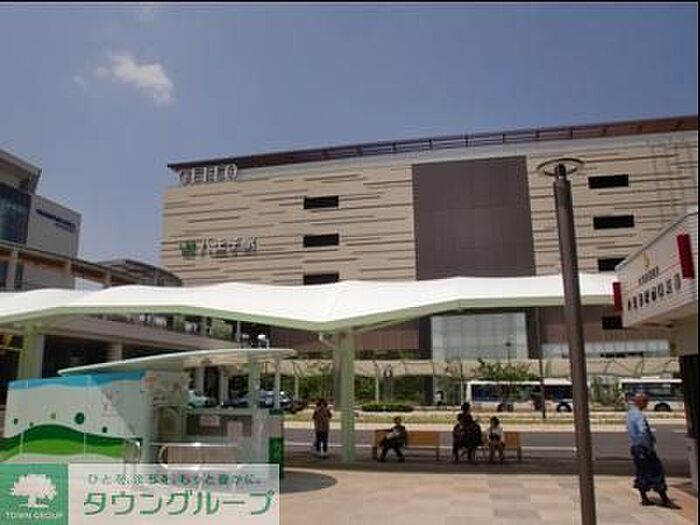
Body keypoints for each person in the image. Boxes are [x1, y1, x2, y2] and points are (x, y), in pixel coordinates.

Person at [626, 393, 678, 508]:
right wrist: (648, 445)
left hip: (635, 447)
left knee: (642, 472)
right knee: (656, 471)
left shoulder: (630, 413)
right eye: (646, 402)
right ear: (640, 402)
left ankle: (644, 498)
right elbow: (643, 431)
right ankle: (664, 498)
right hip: (643, 448)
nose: (647, 404)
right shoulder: (639, 415)